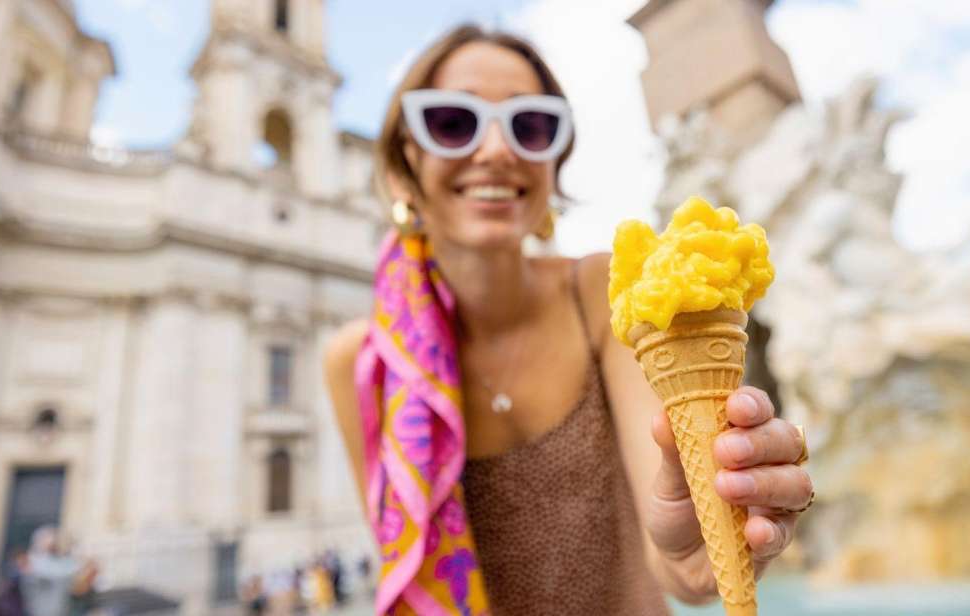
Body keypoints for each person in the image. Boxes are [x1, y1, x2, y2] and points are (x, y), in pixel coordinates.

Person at [323, 24, 814, 615]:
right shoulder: (358, 363)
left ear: (552, 161)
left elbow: (682, 570)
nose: (497, 150)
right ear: (407, 156)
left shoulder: (600, 294)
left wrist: (698, 545)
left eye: (531, 125)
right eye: (453, 122)